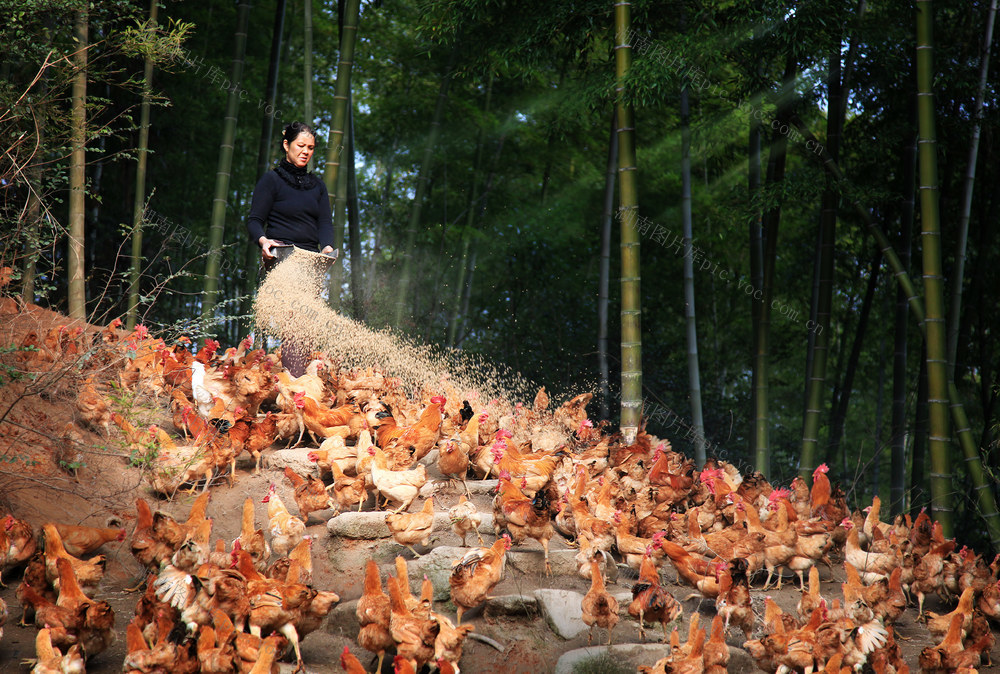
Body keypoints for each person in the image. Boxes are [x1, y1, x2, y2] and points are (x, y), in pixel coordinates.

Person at [247, 121, 335, 376]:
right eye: (300, 145)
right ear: (287, 145)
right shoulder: (271, 180)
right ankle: (287, 381)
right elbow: (254, 221)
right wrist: (264, 242)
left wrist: (327, 247)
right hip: (281, 258)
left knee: (305, 325)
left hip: (310, 262)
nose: (306, 151)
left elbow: (325, 224)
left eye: (311, 147)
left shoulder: (318, 186)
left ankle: (295, 384)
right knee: (293, 321)